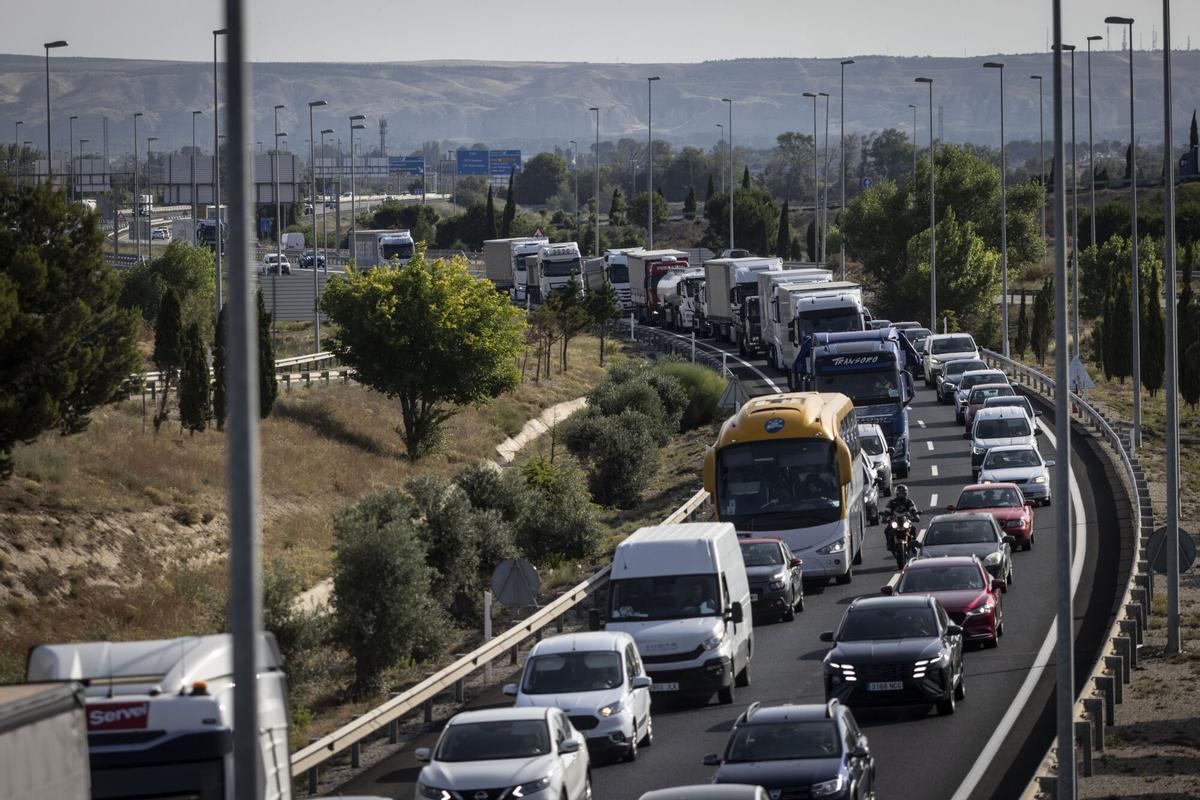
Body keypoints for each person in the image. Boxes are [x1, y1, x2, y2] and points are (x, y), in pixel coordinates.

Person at [884, 485, 921, 550]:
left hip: (905, 520)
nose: (901, 494)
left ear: (906, 493)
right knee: (887, 530)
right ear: (897, 493)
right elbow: (887, 510)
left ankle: (913, 546)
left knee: (913, 529)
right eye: (899, 493)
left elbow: (913, 509)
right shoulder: (892, 502)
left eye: (903, 493)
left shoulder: (909, 502)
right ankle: (889, 544)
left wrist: (916, 515)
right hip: (895, 520)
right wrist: (885, 517)